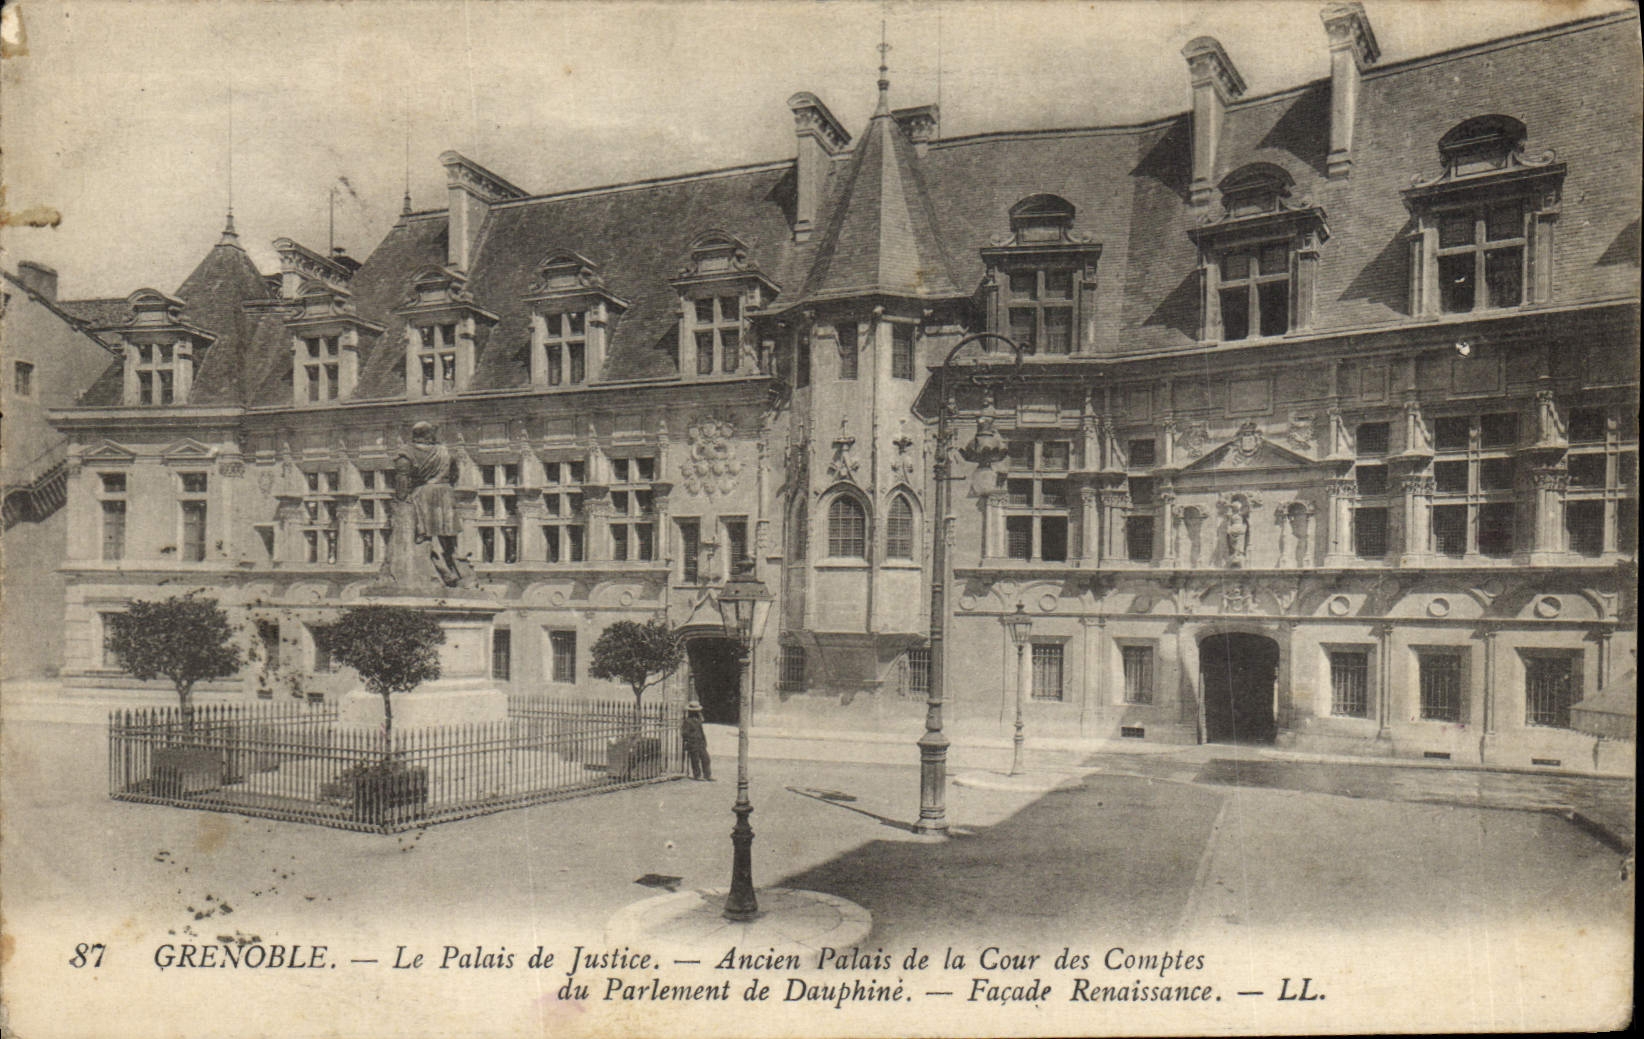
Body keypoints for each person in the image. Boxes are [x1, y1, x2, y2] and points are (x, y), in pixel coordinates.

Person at [395, 421, 462, 586]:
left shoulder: (407, 453)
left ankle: (440, 571)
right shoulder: (445, 452)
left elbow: (401, 481)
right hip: (446, 493)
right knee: (449, 538)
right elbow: (455, 475)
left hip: (424, 494)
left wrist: (403, 498)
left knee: (423, 538)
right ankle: (456, 571)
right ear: (429, 435)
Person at [682, 701, 712, 781]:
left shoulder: (698, 720)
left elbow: (701, 732)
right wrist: (689, 741)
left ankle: (707, 775)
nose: (698, 712)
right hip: (693, 743)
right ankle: (697, 775)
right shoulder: (688, 721)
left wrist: (704, 741)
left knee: (706, 759)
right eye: (696, 711)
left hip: (700, 743)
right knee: (695, 760)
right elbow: (684, 733)